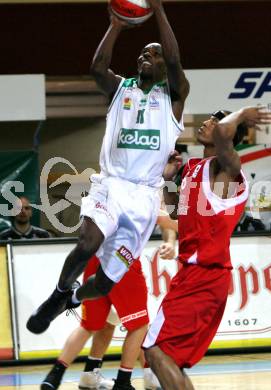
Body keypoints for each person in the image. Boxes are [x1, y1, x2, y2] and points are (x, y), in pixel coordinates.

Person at [26, 0, 189, 336]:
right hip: (111, 185)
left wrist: (157, 10)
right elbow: (97, 69)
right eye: (144, 52)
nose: (148, 56)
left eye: (154, 54)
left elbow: (174, 60)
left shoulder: (173, 95)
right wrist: (115, 26)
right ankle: (57, 297)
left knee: (103, 283)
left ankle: (72, 297)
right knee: (87, 243)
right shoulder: (121, 88)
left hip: (143, 196)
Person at [143, 106, 271, 390]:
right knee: (166, 358)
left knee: (154, 350)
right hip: (194, 275)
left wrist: (242, 113)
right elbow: (177, 214)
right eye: (208, 117)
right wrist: (167, 180)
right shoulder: (193, 169)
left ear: (228, 136)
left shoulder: (228, 170)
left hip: (205, 274)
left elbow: (226, 134)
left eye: (215, 121)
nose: (207, 123)